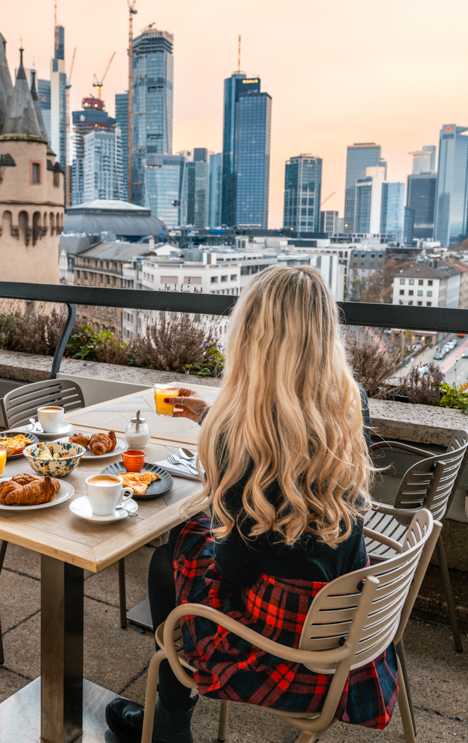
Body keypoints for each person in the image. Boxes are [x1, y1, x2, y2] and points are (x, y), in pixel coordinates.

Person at [106, 265, 399, 743]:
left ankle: (170, 717)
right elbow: (286, 463)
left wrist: (221, 434)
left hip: (278, 649)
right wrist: (214, 423)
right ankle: (167, 715)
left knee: (169, 554)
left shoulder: (238, 431)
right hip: (342, 616)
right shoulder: (351, 402)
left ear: (252, 336)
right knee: (189, 536)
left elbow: (234, 568)